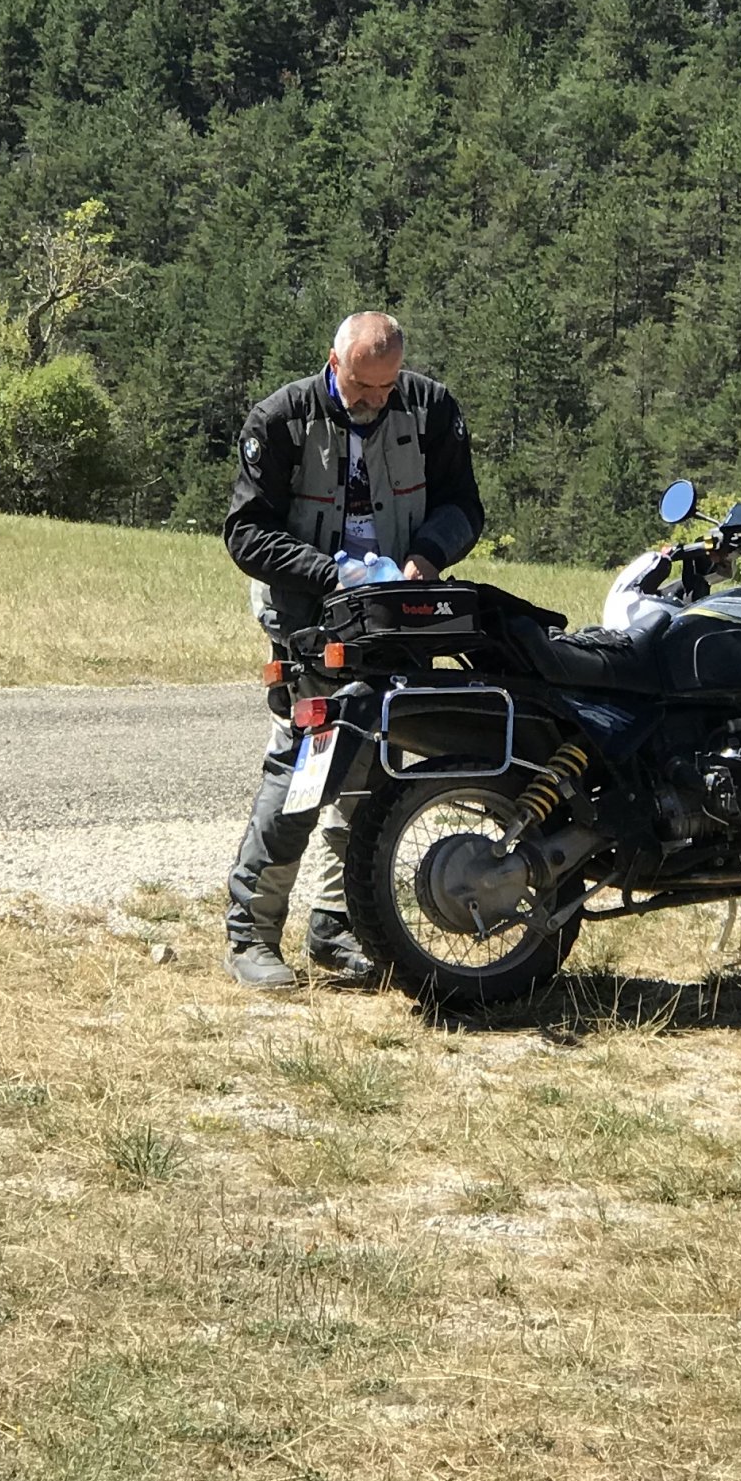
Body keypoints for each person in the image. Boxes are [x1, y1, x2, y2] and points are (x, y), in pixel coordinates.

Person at [221, 311, 485, 990]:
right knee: (303, 775)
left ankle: (336, 926)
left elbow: (463, 506)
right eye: (362, 387)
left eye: (386, 387)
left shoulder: (429, 408)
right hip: (311, 623)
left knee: (372, 778)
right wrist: (330, 574)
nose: (374, 400)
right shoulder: (281, 420)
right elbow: (246, 534)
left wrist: (427, 557)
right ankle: (252, 936)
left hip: (397, 622)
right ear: (333, 362)